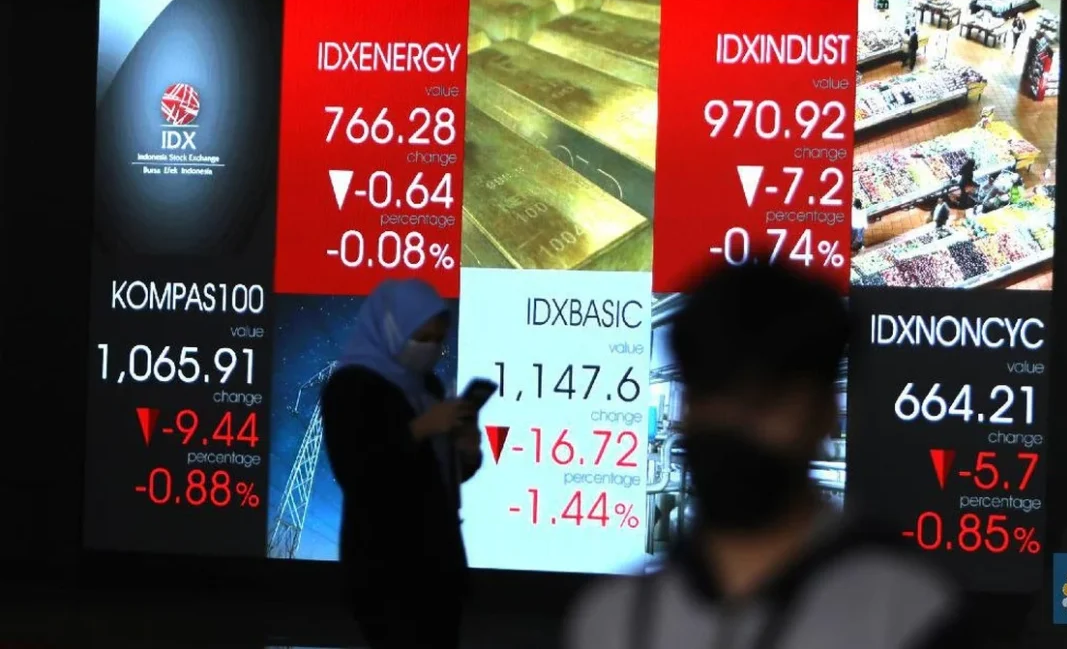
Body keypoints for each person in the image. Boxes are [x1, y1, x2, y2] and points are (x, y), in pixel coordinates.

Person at [564, 263, 970, 649]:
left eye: (763, 404)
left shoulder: (908, 615)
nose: (734, 426)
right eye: (714, 398)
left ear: (823, 414)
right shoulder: (614, 619)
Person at [322, 278, 482, 649]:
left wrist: (467, 450)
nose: (430, 348)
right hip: (385, 568)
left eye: (437, 340)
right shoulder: (350, 386)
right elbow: (357, 472)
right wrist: (421, 428)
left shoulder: (428, 387)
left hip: (440, 565)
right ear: (391, 328)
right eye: (421, 337)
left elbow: (436, 476)